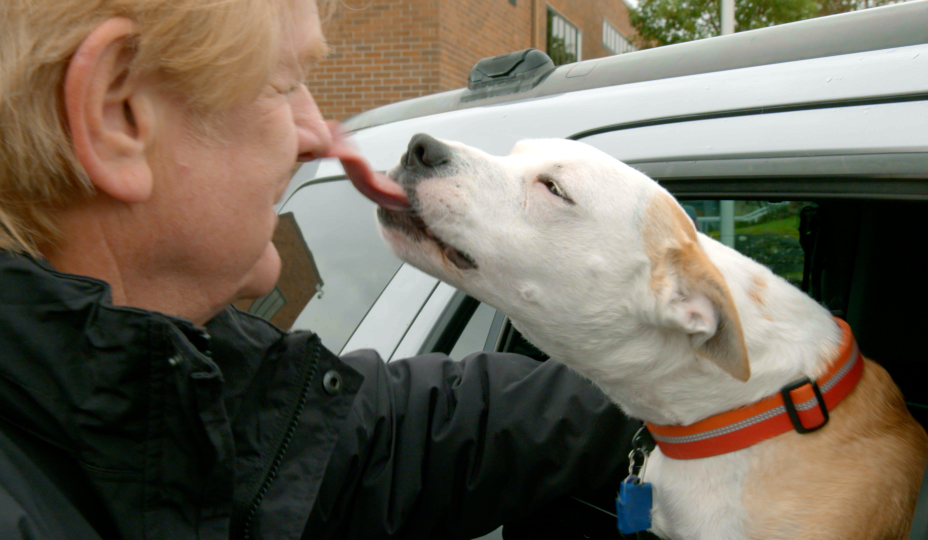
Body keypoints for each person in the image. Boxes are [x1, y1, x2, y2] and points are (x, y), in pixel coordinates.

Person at [0, 0, 640, 539]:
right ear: (118, 112)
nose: (320, 135)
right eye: (284, 85)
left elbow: (394, 438)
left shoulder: (182, 377)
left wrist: (675, 379)